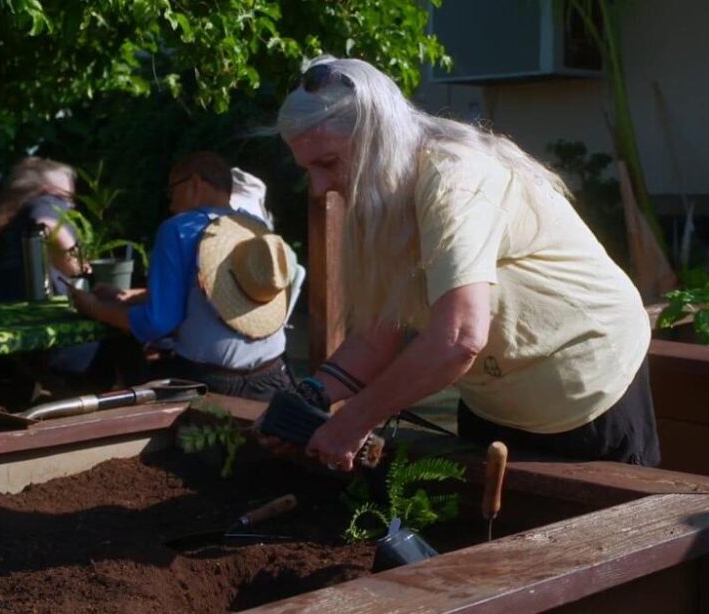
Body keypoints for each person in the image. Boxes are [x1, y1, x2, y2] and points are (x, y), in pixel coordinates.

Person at [272, 57, 660, 471]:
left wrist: (353, 420)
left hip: (586, 391)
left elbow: (458, 338)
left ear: (375, 140)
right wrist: (309, 396)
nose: (320, 186)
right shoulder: (381, 206)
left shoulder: (453, 177)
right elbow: (375, 337)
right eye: (307, 169)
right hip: (494, 402)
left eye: (327, 164)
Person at [69, 151, 301, 401]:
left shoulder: (178, 229)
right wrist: (133, 297)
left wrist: (92, 307)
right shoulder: (254, 226)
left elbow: (158, 323)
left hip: (212, 384)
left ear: (194, 183)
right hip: (275, 374)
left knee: (131, 366)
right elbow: (209, 293)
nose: (170, 203)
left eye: (171, 191)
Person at [0, 157, 83, 304]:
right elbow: (47, 222)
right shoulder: (47, 200)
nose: (70, 205)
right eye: (67, 197)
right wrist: (77, 268)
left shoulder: (3, 212)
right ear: (47, 189)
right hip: (27, 307)